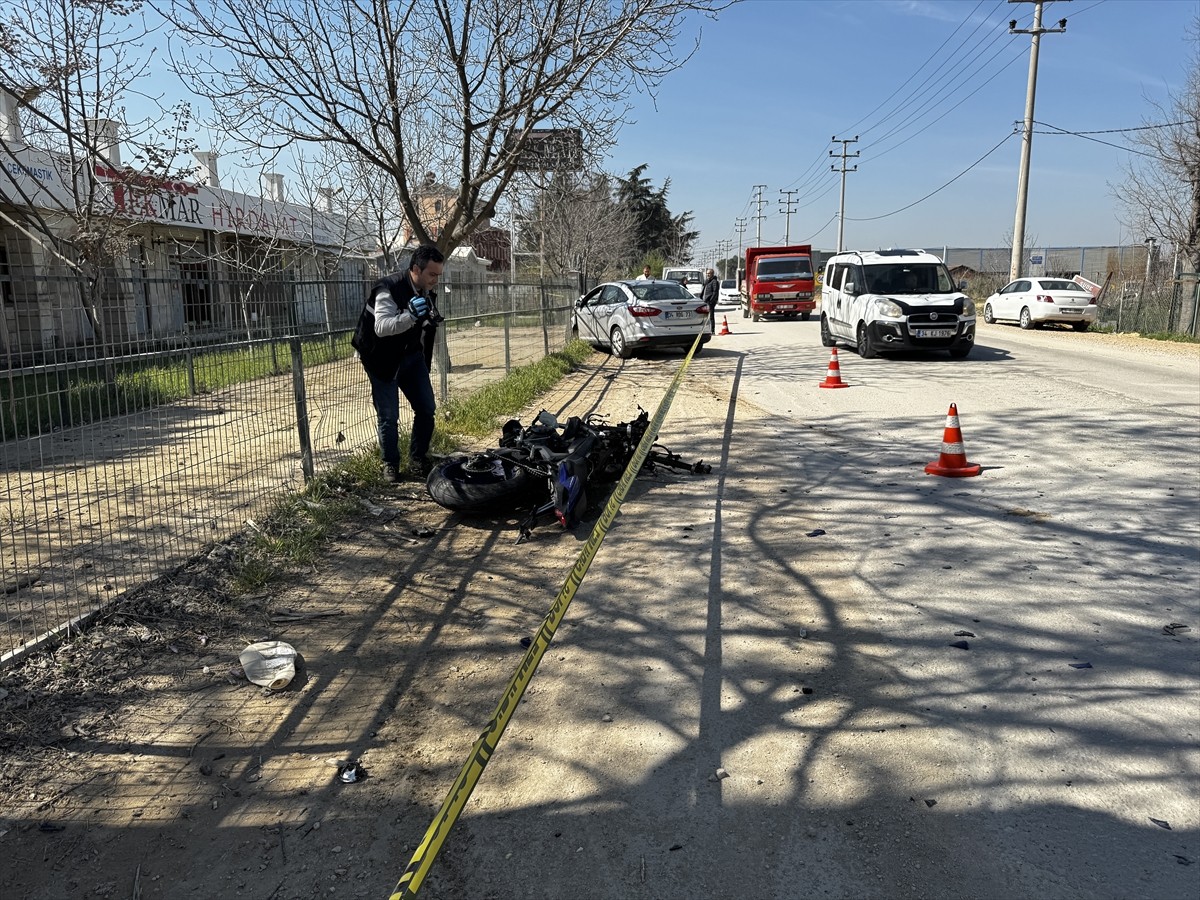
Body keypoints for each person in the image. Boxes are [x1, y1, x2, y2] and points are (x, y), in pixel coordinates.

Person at [352, 245, 445, 482]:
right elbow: (381, 327)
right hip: (381, 359)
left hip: (410, 356)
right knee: (388, 416)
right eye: (432, 274)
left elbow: (423, 329)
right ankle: (390, 464)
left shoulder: (425, 290)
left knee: (426, 408)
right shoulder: (388, 288)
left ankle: (418, 459)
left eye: (438, 275)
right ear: (416, 269)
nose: (435, 280)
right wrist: (411, 316)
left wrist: (425, 321)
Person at [701, 267, 720, 333]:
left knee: (711, 316)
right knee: (704, 316)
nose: (707, 275)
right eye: (707, 273)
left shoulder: (714, 282)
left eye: (709, 273)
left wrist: (711, 301)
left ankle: (712, 330)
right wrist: (700, 298)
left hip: (710, 302)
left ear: (712, 274)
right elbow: (703, 290)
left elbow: (715, 292)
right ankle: (705, 329)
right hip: (705, 301)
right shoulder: (707, 281)